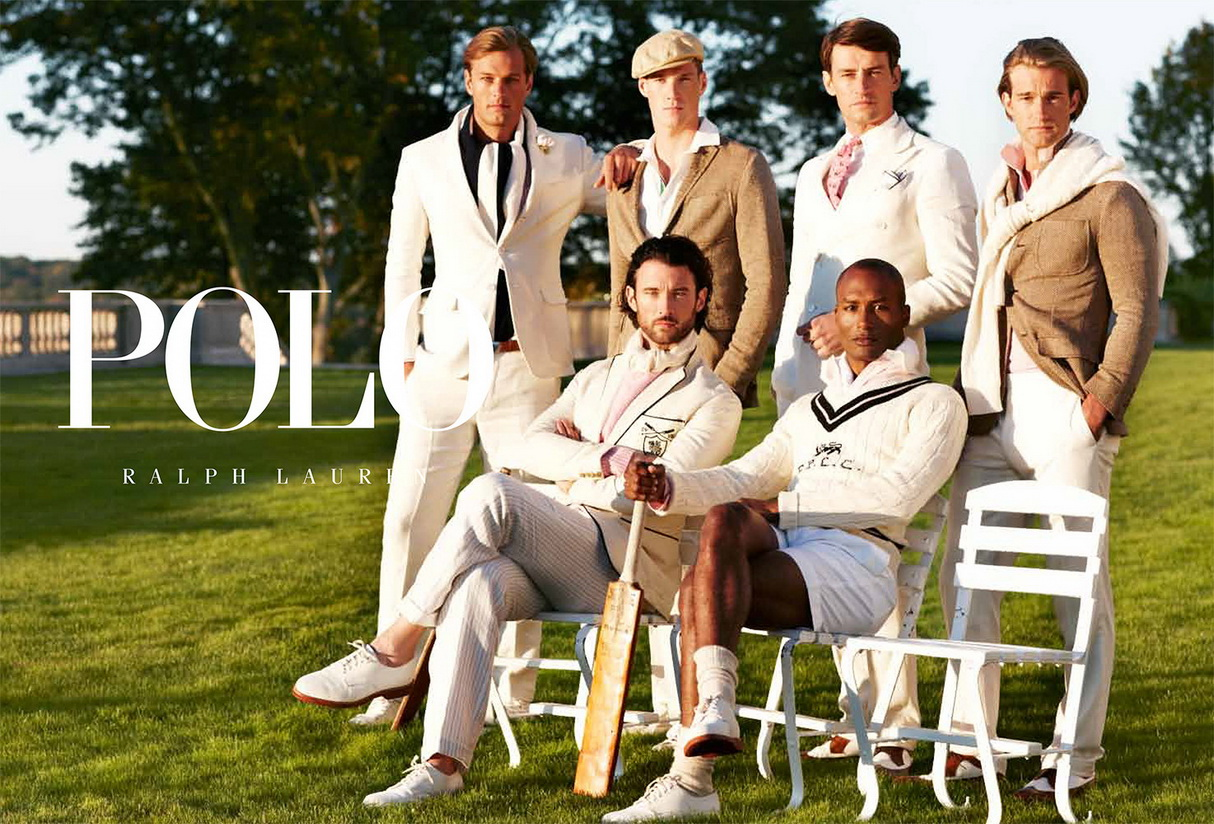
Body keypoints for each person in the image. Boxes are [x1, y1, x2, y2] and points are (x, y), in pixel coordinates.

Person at [293, 235, 743, 807]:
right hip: (559, 539)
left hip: (625, 564)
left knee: (492, 493)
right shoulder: (595, 377)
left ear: (701, 299)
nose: (665, 306)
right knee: (478, 582)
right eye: (652, 292)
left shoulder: (715, 400)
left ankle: (395, 647)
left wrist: (576, 461)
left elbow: (661, 485)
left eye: (679, 293)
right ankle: (442, 764)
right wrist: (606, 458)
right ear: (631, 297)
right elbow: (526, 446)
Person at [606, 259, 967, 821]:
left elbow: (895, 498)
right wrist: (669, 484)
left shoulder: (935, 403)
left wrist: (785, 507)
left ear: (903, 315)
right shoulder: (807, 410)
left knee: (701, 584)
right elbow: (744, 477)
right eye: (850, 308)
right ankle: (713, 715)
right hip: (794, 555)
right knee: (722, 524)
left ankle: (693, 777)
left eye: (880, 307)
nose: (864, 320)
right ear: (835, 316)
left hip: (859, 568)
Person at [366, 25, 638, 724]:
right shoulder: (422, 158)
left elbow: (626, 191)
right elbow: (403, 259)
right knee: (409, 517)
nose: (499, 92)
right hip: (443, 367)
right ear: (468, 82)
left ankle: (511, 690)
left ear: (528, 83)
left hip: (527, 364)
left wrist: (633, 155)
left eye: (512, 79)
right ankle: (392, 677)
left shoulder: (566, 155)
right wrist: (402, 349)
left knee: (526, 524)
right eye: (487, 79)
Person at [941, 37, 1167, 798]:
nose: (1040, 109)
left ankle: (1074, 757)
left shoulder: (1109, 194)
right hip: (986, 405)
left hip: (1063, 405)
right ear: (1006, 103)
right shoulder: (1003, 191)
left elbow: (1137, 311)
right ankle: (975, 743)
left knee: (1078, 588)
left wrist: (1097, 405)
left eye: (1053, 95)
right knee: (968, 579)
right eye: (1026, 95)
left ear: (1075, 100)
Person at [769, 17, 979, 773]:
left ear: (895, 75)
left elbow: (958, 276)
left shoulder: (934, 162)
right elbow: (802, 276)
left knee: (875, 543)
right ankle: (853, 711)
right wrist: (787, 361)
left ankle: (894, 724)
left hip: (887, 381)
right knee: (819, 541)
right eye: (847, 72)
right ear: (828, 81)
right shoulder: (812, 171)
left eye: (875, 70)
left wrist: (863, 322)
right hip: (810, 382)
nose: (861, 85)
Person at [605, 28, 786, 726]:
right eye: (659, 81)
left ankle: (692, 704)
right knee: (640, 526)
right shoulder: (625, 170)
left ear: (702, 82)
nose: (673, 91)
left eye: (685, 78)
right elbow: (624, 282)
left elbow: (766, 282)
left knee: (687, 527)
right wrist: (614, 377)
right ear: (643, 90)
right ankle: (661, 703)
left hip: (707, 376)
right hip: (634, 377)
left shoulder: (741, 165)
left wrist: (730, 376)